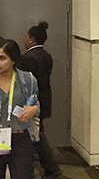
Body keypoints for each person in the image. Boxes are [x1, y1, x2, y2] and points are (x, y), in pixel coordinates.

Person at [21, 22, 61, 178]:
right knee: (37, 135)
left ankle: (50, 168)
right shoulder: (46, 55)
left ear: (31, 39)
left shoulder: (28, 58)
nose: (24, 39)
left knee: (37, 136)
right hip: (44, 100)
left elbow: (27, 83)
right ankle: (48, 167)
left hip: (33, 103)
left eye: (26, 36)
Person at [0, 39, 41, 179]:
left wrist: (34, 109)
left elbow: (36, 104)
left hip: (20, 136)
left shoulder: (27, 80)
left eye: (2, 58)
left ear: (13, 60)